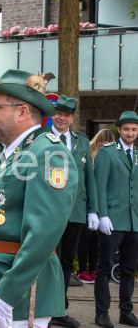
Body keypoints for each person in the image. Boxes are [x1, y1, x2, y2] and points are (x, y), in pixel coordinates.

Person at [0, 69, 78, 328]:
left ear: (22, 112)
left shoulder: (48, 154)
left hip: (17, 293)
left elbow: (43, 234)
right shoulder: (18, 152)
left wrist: (7, 294)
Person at [49, 95, 99, 328]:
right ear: (54, 114)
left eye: (67, 114)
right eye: (59, 113)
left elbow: (90, 180)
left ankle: (59, 310)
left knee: (67, 262)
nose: (62, 117)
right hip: (48, 211)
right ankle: (44, 309)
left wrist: (93, 211)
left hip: (75, 212)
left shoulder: (81, 142)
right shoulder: (42, 139)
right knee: (50, 260)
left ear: (72, 117)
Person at [93, 111, 138, 328]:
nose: (130, 133)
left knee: (129, 270)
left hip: (133, 222)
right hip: (111, 219)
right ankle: (101, 313)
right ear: (119, 130)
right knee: (104, 268)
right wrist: (102, 215)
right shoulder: (108, 152)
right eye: (127, 129)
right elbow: (99, 185)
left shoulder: (137, 155)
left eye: (134, 129)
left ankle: (125, 312)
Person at [78, 129, 115, 284]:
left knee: (97, 241)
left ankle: (93, 269)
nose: (104, 147)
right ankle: (82, 270)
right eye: (102, 144)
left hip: (104, 204)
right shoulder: (90, 156)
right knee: (85, 239)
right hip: (88, 202)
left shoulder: (112, 156)